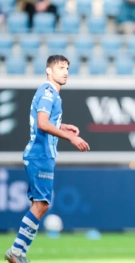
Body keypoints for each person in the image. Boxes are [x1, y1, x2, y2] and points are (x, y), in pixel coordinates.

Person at [4, 55, 90, 263]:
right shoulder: (48, 92)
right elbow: (42, 123)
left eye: (67, 68)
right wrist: (70, 136)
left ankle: (18, 252)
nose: (65, 71)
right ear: (48, 70)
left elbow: (45, 122)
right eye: (61, 67)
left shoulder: (51, 95)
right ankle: (16, 251)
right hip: (40, 154)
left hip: (43, 154)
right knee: (41, 204)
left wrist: (62, 126)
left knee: (41, 204)